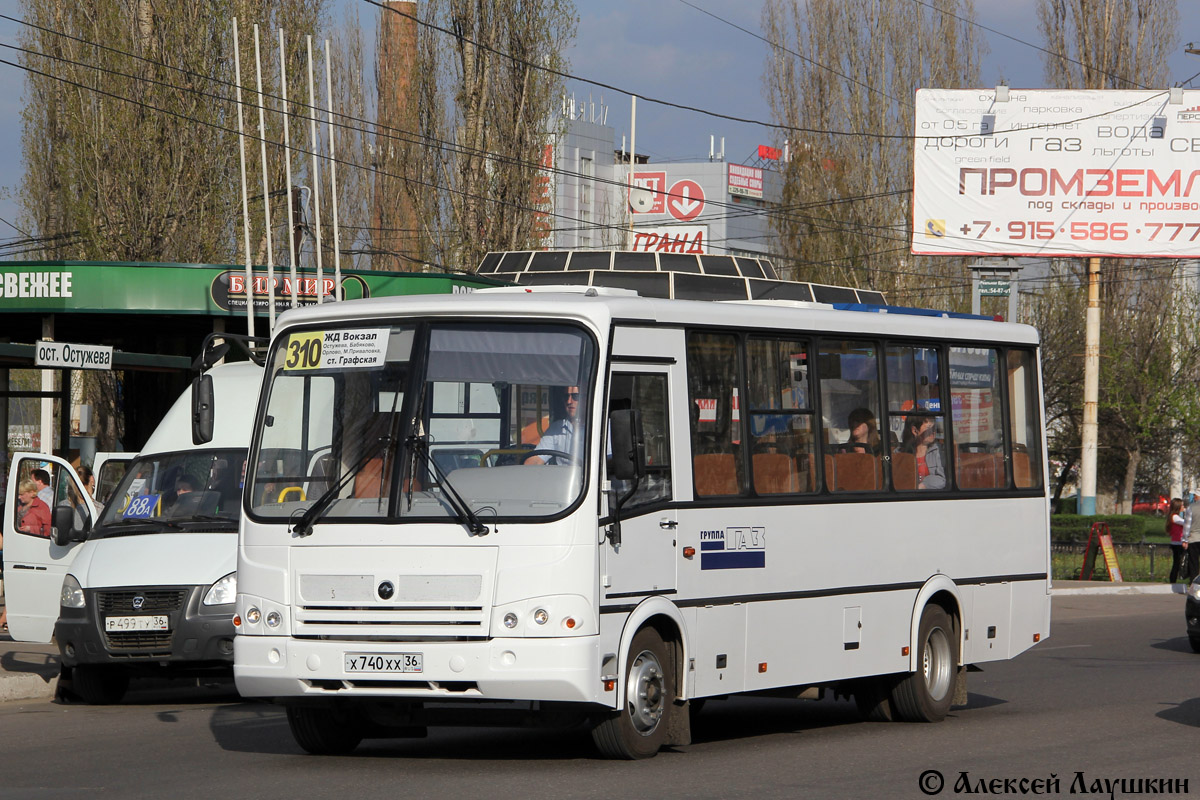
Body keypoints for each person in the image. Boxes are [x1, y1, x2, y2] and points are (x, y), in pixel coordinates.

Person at [525, 385, 582, 466]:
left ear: (586, 398)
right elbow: (537, 459)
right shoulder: (556, 427)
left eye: (575, 396)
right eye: (566, 396)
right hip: (563, 477)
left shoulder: (602, 428)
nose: (569, 401)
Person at [899, 415, 946, 490]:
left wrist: (923, 485)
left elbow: (942, 479)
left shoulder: (939, 451)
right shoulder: (900, 454)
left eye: (934, 429)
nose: (933, 433)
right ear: (915, 431)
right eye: (928, 429)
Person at [1167, 497, 1188, 584]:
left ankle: (1174, 579)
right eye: (1182, 505)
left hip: (1178, 542)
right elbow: (1186, 523)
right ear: (1177, 507)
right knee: (1177, 563)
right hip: (1177, 543)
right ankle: (1173, 580)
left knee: (1177, 562)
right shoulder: (1175, 517)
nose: (1184, 507)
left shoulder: (1175, 516)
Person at [1186, 489, 1200, 582]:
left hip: (1193, 538)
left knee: (1193, 562)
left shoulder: (1191, 507)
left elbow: (1187, 525)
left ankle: (1194, 584)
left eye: (1195, 495)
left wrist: (1184, 539)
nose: (1194, 497)